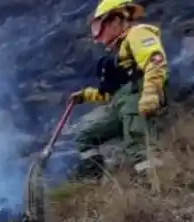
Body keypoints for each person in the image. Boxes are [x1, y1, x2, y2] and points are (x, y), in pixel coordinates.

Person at [69, 0, 169, 179]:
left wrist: (150, 94)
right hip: (121, 104)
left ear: (116, 20)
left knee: (139, 147)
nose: (98, 35)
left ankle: (158, 190)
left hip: (137, 99)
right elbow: (112, 93)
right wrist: (85, 95)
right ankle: (93, 179)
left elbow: (155, 62)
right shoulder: (118, 53)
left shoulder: (137, 34)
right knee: (85, 135)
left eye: (100, 26)